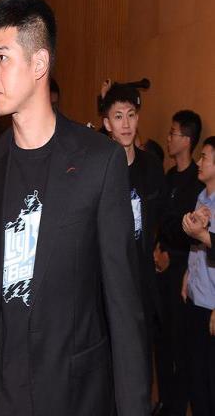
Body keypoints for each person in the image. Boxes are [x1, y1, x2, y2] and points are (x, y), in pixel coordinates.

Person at [0, 0, 149, 416]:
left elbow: (123, 307)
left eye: (3, 58)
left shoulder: (99, 163)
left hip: (69, 394)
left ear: (39, 64)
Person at [101, 83, 166, 394]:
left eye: (130, 115)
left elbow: (164, 218)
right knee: (107, 371)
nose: (125, 124)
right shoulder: (98, 169)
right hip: (105, 284)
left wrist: (184, 230)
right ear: (107, 124)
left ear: (138, 118)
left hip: (142, 283)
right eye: (118, 117)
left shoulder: (151, 167)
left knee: (139, 369)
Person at [155, 109, 204, 416]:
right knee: (160, 339)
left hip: (182, 270)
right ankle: (163, 401)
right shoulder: (169, 177)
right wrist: (157, 250)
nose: (168, 138)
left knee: (179, 344)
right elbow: (161, 221)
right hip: (160, 264)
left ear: (187, 140)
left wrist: (170, 256)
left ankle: (176, 406)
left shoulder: (196, 182)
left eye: (173, 133)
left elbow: (194, 236)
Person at [181, 136, 215, 415]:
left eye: (205, 157)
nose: (199, 162)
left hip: (211, 304)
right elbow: (197, 244)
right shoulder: (202, 197)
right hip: (196, 295)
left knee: (209, 379)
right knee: (196, 376)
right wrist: (187, 275)